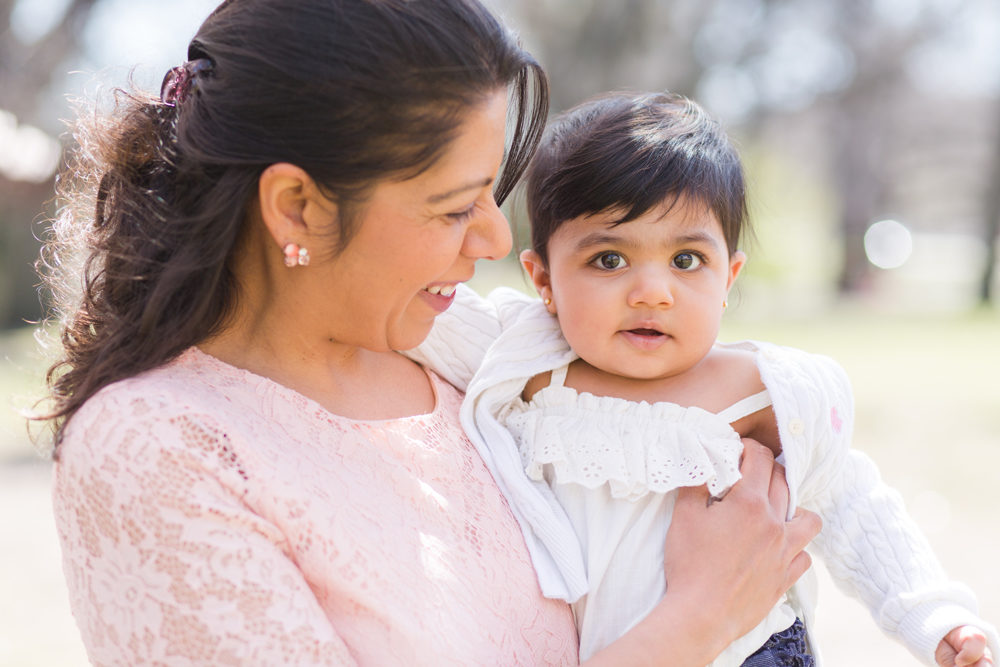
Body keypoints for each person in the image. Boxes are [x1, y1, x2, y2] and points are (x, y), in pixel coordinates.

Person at [40, 1, 822, 665]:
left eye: (492, 195)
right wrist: (695, 620)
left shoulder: (472, 366)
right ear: (299, 207)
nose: (489, 240)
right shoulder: (160, 450)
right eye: (454, 206)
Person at [419, 91, 999, 666]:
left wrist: (933, 615)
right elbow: (402, 305)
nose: (653, 291)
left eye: (687, 260)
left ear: (729, 276)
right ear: (543, 280)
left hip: (747, 654)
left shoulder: (764, 394)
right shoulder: (525, 359)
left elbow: (853, 503)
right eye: (609, 260)